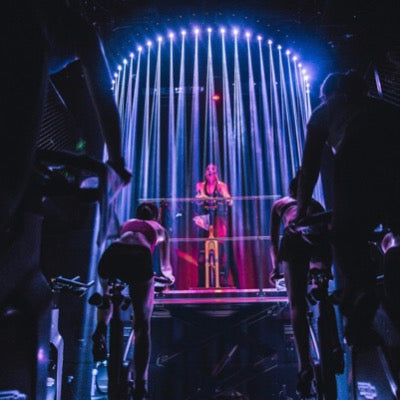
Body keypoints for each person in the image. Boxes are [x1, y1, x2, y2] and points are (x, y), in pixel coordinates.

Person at [0, 1, 131, 396]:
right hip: (25, 38)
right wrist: (116, 161)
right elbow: (103, 94)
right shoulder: (72, 28)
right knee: (12, 188)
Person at [296, 69, 400, 346]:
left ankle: (362, 291)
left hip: (355, 158)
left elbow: (309, 168)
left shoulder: (325, 111)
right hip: (392, 162)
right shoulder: (383, 107)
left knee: (344, 235)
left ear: (329, 94)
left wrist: (301, 209)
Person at [270, 173, 342, 398]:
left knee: (296, 305)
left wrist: (275, 268)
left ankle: (304, 366)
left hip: (294, 240)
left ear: (292, 189)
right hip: (318, 240)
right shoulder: (316, 204)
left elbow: (274, 240)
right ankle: (334, 342)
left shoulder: (281, 204)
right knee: (321, 289)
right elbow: (328, 233)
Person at [92, 202, 175, 399]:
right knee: (142, 324)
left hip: (112, 253)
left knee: (107, 294)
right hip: (138, 258)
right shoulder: (160, 229)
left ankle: (101, 328)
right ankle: (140, 382)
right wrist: (170, 279)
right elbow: (165, 268)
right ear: (156, 216)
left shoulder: (127, 224)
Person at [194, 163, 238, 287]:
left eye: (213, 169)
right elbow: (198, 199)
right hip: (204, 218)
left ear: (216, 173)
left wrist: (226, 198)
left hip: (218, 218)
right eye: (208, 169)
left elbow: (229, 199)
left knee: (220, 250)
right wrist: (200, 198)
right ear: (205, 173)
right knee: (202, 251)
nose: (210, 171)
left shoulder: (221, 186)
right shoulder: (200, 185)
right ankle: (202, 282)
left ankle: (221, 280)